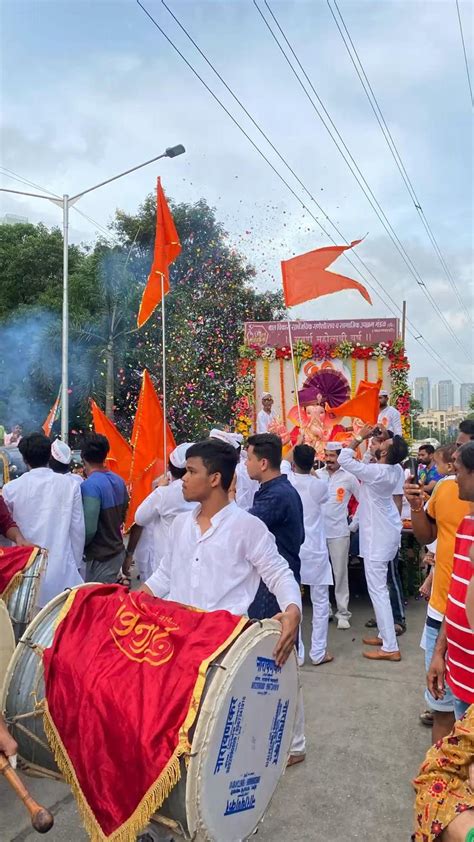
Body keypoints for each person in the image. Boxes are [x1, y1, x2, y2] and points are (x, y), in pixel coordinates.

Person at [141, 439, 301, 656]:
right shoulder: (181, 524)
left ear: (215, 478)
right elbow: (164, 575)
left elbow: (279, 573)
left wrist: (293, 610)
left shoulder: (248, 526)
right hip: (177, 643)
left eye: (191, 471)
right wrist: (131, 601)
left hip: (227, 647)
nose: (183, 479)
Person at [404, 423, 472, 741]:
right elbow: (428, 536)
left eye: (462, 449)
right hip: (442, 620)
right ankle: (441, 784)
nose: (454, 458)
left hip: (466, 631)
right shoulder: (446, 489)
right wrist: (417, 506)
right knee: (444, 710)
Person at [245, 433, 306, 766]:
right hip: (277, 579)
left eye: (248, 458)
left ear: (263, 462)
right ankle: (284, 739)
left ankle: (294, 743)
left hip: (275, 586)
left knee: (279, 660)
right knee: (276, 659)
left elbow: (244, 528)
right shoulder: (276, 491)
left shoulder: (277, 495)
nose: (246, 463)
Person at [338, 425, 408, 660]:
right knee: (380, 590)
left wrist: (361, 437)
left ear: (385, 454)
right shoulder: (393, 469)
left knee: (378, 591)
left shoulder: (379, 472)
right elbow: (368, 462)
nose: (378, 444)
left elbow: (344, 458)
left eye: (383, 445)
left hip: (378, 538)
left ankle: (390, 647)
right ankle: (384, 634)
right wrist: (372, 445)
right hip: (383, 534)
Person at [2, 433, 84, 608]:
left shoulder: (11, 489)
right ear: (49, 456)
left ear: (24, 460)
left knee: (25, 631)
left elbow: (5, 534)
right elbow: (78, 531)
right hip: (62, 574)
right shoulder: (70, 485)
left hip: (25, 574)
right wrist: (75, 565)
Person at [426, 441, 474, 721]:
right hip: (458, 674)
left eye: (460, 471)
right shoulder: (466, 526)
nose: (454, 477)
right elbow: (455, 594)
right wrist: (439, 652)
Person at [287, 443, 333, 665]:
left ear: (295, 462)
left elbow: (286, 462)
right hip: (315, 549)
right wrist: (313, 471)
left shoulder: (287, 479)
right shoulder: (320, 485)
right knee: (321, 602)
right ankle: (318, 652)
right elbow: (322, 495)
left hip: (295, 548)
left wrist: (295, 446)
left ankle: (298, 653)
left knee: (293, 601)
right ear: (313, 462)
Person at [126, 442, 196, 582]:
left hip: (165, 563)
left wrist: (159, 489)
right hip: (191, 562)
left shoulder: (165, 493)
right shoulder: (204, 491)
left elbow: (140, 517)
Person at [316, 441, 360, 630]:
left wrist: (353, 525)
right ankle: (324, 610)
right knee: (321, 574)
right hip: (318, 534)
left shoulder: (349, 478)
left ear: (340, 457)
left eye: (332, 456)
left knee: (339, 573)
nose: (328, 460)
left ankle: (343, 612)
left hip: (340, 533)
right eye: (326, 455)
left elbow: (363, 501)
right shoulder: (317, 475)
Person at [80, 433, 129, 585]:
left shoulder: (90, 486)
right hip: (116, 551)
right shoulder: (119, 480)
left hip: (100, 556)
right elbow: (123, 515)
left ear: (84, 458)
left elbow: (89, 530)